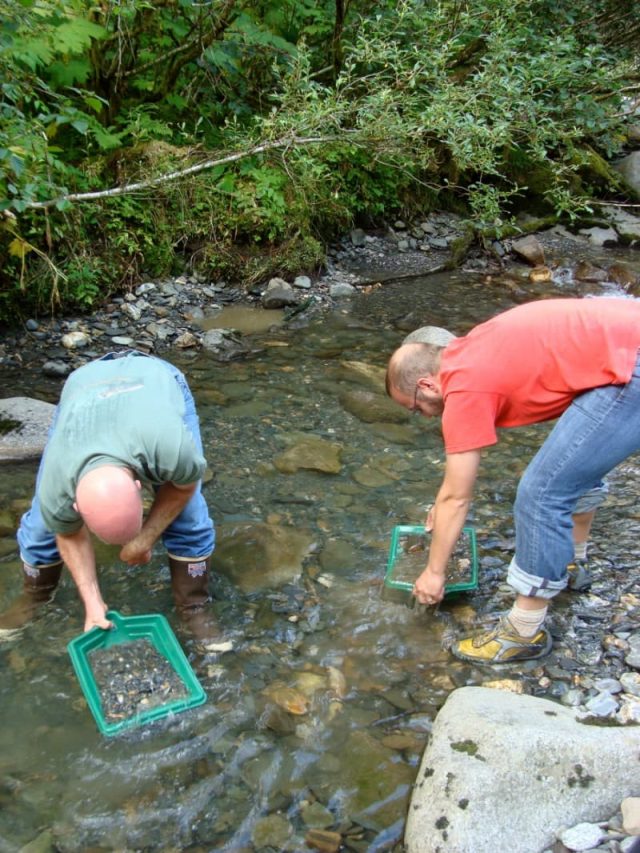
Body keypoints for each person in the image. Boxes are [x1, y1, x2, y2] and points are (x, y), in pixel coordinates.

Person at [386, 297, 640, 664]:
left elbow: (458, 497)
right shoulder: (472, 352)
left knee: (541, 493)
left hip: (629, 363)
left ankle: (523, 631)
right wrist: (441, 508)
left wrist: (433, 573)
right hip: (621, 342)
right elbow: (461, 475)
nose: (423, 416)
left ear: (426, 384)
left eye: (415, 407)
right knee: (568, 468)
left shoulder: (464, 386)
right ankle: (572, 562)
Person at [0, 350, 215, 636]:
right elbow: (68, 533)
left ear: (141, 486)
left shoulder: (169, 446)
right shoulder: (59, 476)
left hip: (155, 379)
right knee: (42, 525)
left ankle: (194, 608)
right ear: (75, 505)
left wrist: (146, 537)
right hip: (84, 389)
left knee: (189, 517)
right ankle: (36, 596)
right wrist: (93, 603)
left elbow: (183, 486)